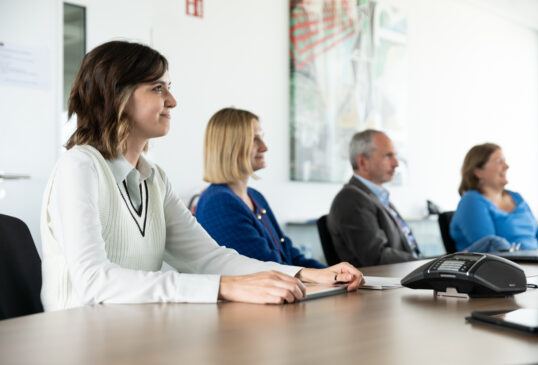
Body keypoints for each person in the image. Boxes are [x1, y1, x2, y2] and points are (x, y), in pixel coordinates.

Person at [40, 41, 363, 311]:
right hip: (78, 340)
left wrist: (305, 273)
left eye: (169, 87)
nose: (172, 100)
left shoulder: (154, 179)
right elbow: (95, 282)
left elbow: (208, 258)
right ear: (116, 95)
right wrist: (226, 287)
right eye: (157, 88)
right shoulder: (79, 166)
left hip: (131, 335)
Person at [195, 108, 326, 268]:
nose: (264, 147)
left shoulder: (254, 196)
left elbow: (289, 254)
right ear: (230, 147)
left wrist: (332, 274)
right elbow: (267, 267)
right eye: (254, 139)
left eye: (262, 138)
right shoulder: (219, 202)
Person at [327, 129, 421, 267]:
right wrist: (424, 263)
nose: (396, 163)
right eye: (388, 156)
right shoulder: (351, 199)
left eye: (395, 156)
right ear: (363, 162)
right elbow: (376, 257)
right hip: (387, 282)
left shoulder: (377, 197)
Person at [450, 143, 538, 252]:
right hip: (507, 265)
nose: (506, 166)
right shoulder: (471, 201)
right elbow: (489, 249)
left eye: (504, 160)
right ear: (478, 172)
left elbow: (537, 235)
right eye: (498, 161)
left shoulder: (517, 197)